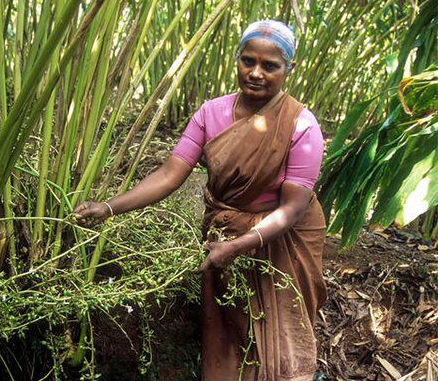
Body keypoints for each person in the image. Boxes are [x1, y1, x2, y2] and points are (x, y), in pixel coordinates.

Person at [74, 20, 326, 381]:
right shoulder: (211, 113)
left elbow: (292, 208)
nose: (255, 73)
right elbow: (169, 174)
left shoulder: (301, 125)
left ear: (289, 70)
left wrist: (239, 245)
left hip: (282, 239)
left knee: (279, 326)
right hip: (226, 233)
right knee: (229, 323)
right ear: (237, 60)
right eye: (247, 61)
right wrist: (109, 207)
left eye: (270, 66)